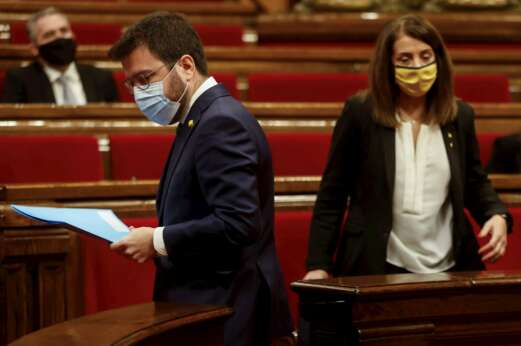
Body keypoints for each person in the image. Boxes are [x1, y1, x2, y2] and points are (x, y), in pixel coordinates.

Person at [107, 12, 293, 346]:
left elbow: (238, 223)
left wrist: (158, 240)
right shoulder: (199, 118)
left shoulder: (219, 123)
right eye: (131, 83)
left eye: (145, 78)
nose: (139, 92)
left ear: (186, 66)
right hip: (211, 307)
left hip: (228, 312)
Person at [304, 14, 513, 282]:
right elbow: (332, 194)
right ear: (387, 65)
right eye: (405, 59)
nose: (417, 67)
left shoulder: (459, 116)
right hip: (377, 264)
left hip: (449, 265)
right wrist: (318, 263)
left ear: (438, 59)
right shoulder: (361, 113)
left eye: (425, 56)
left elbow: (474, 181)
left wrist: (497, 214)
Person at [1, 7, 118, 104]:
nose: (59, 37)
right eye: (49, 34)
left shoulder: (101, 77)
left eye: (64, 30)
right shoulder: (19, 80)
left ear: (73, 36)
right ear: (34, 48)